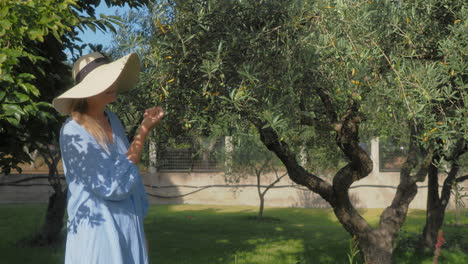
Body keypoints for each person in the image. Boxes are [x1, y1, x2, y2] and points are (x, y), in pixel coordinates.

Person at [53, 52, 164, 264]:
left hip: (127, 226)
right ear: (87, 91)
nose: (112, 83)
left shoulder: (113, 120)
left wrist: (138, 228)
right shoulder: (74, 131)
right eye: (103, 81)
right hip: (99, 234)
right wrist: (143, 131)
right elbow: (111, 185)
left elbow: (131, 179)